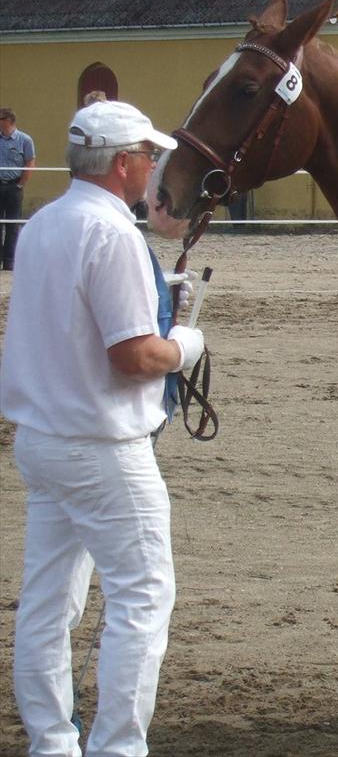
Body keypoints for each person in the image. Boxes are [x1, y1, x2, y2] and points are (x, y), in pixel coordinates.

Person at [0, 100, 206, 757]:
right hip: (103, 442)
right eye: (148, 157)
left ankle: (52, 742)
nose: (153, 169)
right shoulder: (113, 234)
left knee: (48, 601)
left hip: (41, 437)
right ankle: (117, 747)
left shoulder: (42, 224)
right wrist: (186, 346)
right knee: (143, 595)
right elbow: (134, 355)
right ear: (123, 164)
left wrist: (155, 294)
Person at [0, 107, 36, 271]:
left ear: (8, 120)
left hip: (14, 185)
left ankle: (9, 261)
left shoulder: (24, 140)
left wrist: (21, 184)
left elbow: (30, 163)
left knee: (12, 225)